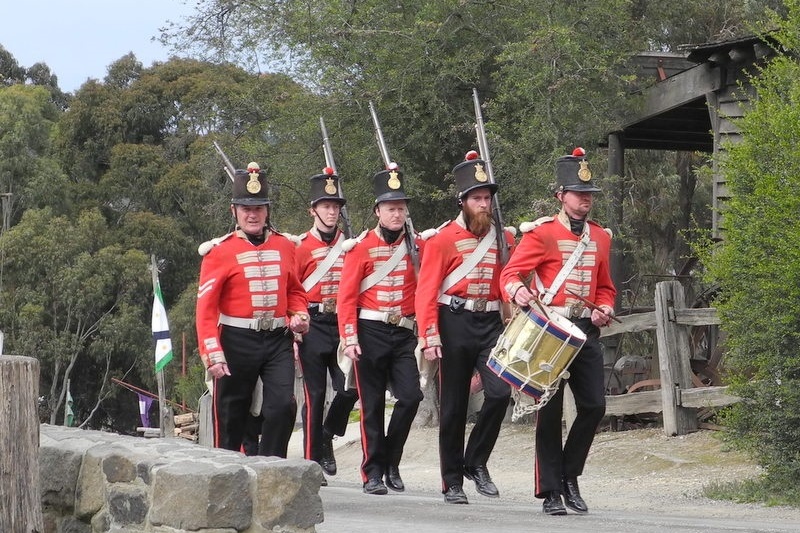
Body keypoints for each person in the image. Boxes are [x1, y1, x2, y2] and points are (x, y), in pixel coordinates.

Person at [499, 147, 616, 515]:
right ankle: (550, 489)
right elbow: (510, 274)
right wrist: (518, 291)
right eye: (579, 195)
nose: (585, 201)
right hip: (549, 330)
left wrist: (607, 307)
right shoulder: (542, 233)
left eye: (589, 195)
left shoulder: (601, 237)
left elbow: (605, 287)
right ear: (560, 197)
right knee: (547, 412)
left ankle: (569, 475)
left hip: (585, 331)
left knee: (595, 405)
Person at [415, 150, 516, 505]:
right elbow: (426, 290)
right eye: (477, 198)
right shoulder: (441, 239)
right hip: (453, 322)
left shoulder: (504, 239)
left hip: (490, 323)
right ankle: (452, 480)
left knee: (501, 393)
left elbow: (510, 280)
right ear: (463, 201)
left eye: (487, 198)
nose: (484, 204)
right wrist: (429, 334)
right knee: (455, 406)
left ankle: (475, 461)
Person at [196, 162, 310, 457]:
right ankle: (227, 475)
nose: (252, 214)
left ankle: (271, 470)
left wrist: (300, 315)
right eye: (246, 208)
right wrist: (212, 352)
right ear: (234, 211)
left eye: (258, 208)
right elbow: (206, 309)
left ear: (267, 210)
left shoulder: (286, 246)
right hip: (236, 339)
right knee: (231, 415)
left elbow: (295, 291)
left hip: (277, 340)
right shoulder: (218, 252)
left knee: (283, 406)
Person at [337, 162, 424, 495]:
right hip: (369, 331)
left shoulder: (418, 247)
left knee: (411, 397)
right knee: (371, 405)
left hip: (403, 332)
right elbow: (347, 296)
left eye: (401, 208)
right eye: (391, 208)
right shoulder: (359, 248)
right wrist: (349, 337)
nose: (397, 214)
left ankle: (391, 460)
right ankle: (372, 471)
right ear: (377, 211)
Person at [294, 167, 358, 481]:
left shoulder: (351, 245)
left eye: (335, 207)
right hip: (313, 323)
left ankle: (327, 434)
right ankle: (311, 464)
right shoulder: (301, 248)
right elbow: (290, 290)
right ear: (313, 210)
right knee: (315, 395)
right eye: (325, 206)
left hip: (343, 323)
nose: (331, 212)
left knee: (350, 387)